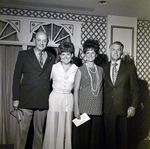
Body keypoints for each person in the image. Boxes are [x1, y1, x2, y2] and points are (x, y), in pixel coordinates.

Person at [12, 31, 55, 149]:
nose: (42, 43)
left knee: (39, 132)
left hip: (42, 99)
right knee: (23, 132)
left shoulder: (52, 57)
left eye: (44, 41)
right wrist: (16, 98)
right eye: (39, 40)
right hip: (26, 99)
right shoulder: (23, 55)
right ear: (34, 41)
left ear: (47, 42)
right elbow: (16, 78)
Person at [102, 41, 139, 149]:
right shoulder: (102, 67)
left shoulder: (130, 67)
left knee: (125, 139)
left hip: (125, 107)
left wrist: (133, 106)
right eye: (113, 49)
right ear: (109, 50)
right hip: (108, 108)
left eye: (118, 49)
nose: (115, 52)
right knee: (110, 138)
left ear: (122, 52)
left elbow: (135, 89)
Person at [42, 42, 78, 149]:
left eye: (68, 54)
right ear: (60, 55)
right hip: (55, 98)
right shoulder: (54, 67)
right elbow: (45, 84)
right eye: (63, 54)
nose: (65, 57)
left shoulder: (76, 69)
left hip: (68, 99)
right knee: (54, 126)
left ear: (72, 55)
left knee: (66, 128)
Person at [73, 39, 104, 149]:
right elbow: (76, 89)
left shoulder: (101, 70)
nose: (90, 55)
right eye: (88, 52)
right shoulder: (80, 70)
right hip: (83, 109)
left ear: (96, 55)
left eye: (92, 52)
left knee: (95, 139)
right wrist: (76, 108)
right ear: (84, 55)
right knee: (82, 138)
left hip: (97, 109)